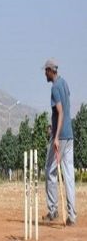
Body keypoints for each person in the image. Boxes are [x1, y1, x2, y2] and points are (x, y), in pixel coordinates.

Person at [42, 59, 76, 226]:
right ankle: (72, 215)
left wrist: (55, 136)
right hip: (69, 134)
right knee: (69, 176)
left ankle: (53, 209)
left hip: (61, 137)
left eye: (45, 71)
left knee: (50, 171)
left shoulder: (55, 87)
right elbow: (66, 107)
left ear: (50, 71)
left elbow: (61, 112)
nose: (44, 74)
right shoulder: (64, 83)